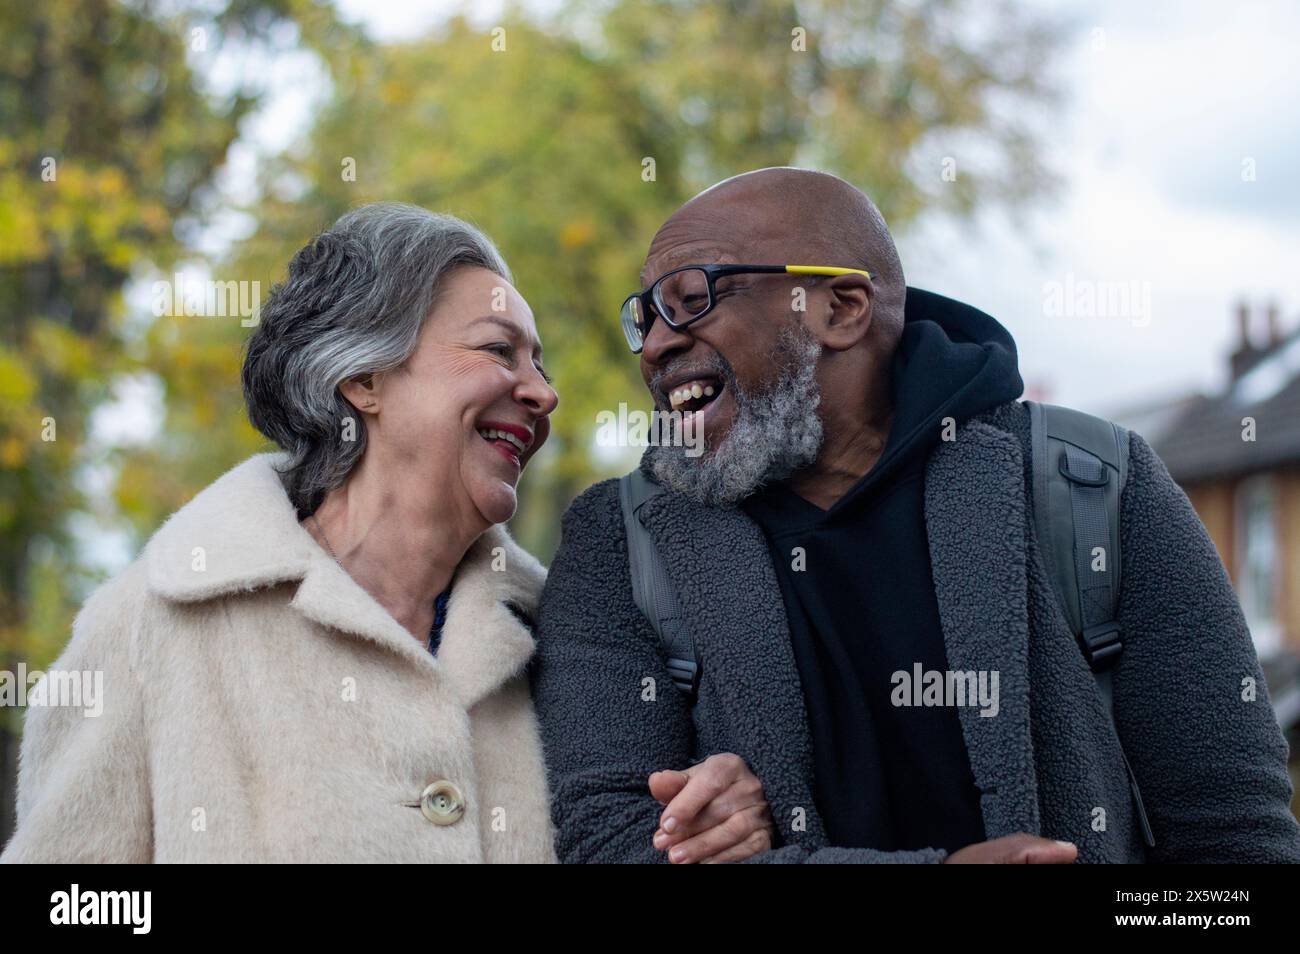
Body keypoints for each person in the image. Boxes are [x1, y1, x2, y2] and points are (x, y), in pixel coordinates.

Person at [532, 167, 1300, 863]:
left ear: (840, 308)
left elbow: (1233, 840)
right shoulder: (619, 542)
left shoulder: (1094, 485)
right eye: (648, 316)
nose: (658, 344)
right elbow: (609, 842)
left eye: (692, 297)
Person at [2, 204, 564, 862]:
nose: (543, 393)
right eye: (499, 350)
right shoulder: (149, 629)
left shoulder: (562, 638)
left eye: (541, 365)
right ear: (362, 376)